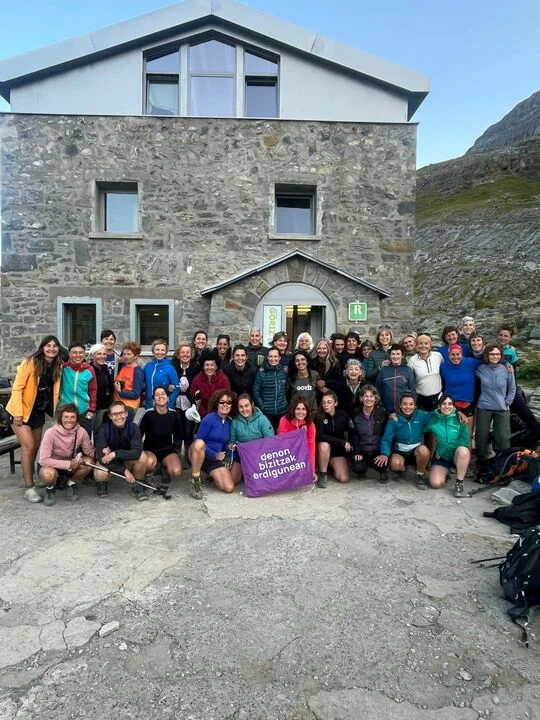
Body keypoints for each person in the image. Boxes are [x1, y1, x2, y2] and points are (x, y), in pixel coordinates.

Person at [7, 335, 63, 503]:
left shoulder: (57, 365)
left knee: (35, 448)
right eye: (48, 345)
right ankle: (29, 487)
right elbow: (17, 389)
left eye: (55, 346)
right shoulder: (30, 363)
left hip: (38, 412)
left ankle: (29, 477)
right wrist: (17, 413)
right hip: (21, 412)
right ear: (42, 347)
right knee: (29, 447)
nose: (51, 348)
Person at [38, 403, 95, 505]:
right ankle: (50, 488)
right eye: (66, 417)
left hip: (70, 464)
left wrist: (106, 455)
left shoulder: (81, 431)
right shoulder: (50, 433)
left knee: (89, 462)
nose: (69, 420)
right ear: (61, 418)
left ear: (77, 418)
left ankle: (71, 483)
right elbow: (43, 460)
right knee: (48, 474)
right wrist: (68, 464)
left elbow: (89, 451)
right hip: (52, 466)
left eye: (73, 417)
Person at [94, 401, 150, 500]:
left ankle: (138, 485)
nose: (119, 417)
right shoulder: (103, 429)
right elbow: (102, 457)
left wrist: (114, 454)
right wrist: (124, 470)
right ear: (110, 416)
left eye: (121, 413)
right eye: (115, 414)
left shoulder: (133, 427)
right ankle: (103, 483)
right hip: (111, 462)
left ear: (126, 413)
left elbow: (137, 451)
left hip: (126, 459)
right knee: (100, 473)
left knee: (143, 456)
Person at [497, 324, 540, 444]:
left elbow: (514, 375)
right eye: (501, 335)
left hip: (510, 390)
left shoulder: (511, 352)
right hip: (496, 392)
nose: (503, 337)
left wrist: (512, 392)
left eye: (506, 336)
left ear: (510, 338)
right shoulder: (491, 349)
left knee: (527, 415)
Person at [189, 389, 237, 499]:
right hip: (199, 454)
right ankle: (195, 480)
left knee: (229, 487)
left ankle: (208, 474)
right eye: (222, 402)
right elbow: (198, 441)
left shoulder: (230, 422)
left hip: (214, 460)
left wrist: (228, 454)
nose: (225, 404)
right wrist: (214, 454)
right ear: (216, 403)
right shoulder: (209, 419)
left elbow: (226, 444)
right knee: (199, 443)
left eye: (228, 402)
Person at [377, 393, 431, 489]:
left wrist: (456, 413)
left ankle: (420, 474)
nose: (408, 407)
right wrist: (384, 453)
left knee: (424, 451)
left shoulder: (421, 415)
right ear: (400, 405)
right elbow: (386, 439)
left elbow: (436, 414)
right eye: (404, 404)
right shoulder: (394, 419)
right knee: (395, 464)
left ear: (415, 406)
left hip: (416, 451)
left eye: (411, 404)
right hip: (400, 452)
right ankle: (403, 469)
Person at [475, 344, 517, 466]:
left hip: (502, 408)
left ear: (501, 355)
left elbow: (512, 388)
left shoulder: (506, 369)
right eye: (492, 354)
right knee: (481, 436)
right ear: (487, 355)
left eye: (498, 354)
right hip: (484, 406)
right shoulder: (481, 368)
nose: (495, 356)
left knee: (503, 437)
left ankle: (505, 462)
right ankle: (481, 461)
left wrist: (507, 402)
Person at [426, 395, 471, 497]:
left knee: (463, 451)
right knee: (435, 483)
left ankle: (459, 482)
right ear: (439, 406)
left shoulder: (460, 419)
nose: (447, 406)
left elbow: (465, 442)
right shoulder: (433, 419)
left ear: (454, 406)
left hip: (456, 456)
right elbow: (423, 430)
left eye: (450, 404)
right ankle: (446, 473)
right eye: (444, 404)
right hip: (441, 457)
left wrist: (445, 448)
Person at [229, 393, 274, 485]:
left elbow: (270, 440)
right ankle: (244, 471)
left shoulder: (262, 419)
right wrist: (232, 447)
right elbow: (231, 442)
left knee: (259, 482)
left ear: (252, 405)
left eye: (247, 406)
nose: (244, 409)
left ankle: (249, 472)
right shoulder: (235, 421)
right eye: (241, 407)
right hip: (242, 455)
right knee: (233, 480)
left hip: (259, 455)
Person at [140, 387, 183, 485]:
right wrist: (140, 452)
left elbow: (178, 436)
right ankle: (150, 472)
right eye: (157, 395)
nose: (160, 396)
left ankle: (164, 468)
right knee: (149, 463)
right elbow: (139, 433)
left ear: (168, 398)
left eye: (163, 394)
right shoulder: (148, 414)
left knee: (176, 471)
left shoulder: (173, 414)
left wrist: (177, 452)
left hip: (167, 449)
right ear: (154, 399)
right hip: (150, 450)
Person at [440, 344, 482, 440]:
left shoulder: (470, 363)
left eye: (458, 354)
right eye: (452, 354)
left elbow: (487, 361)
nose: (455, 357)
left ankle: (468, 450)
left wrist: (506, 363)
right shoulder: (443, 367)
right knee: (450, 436)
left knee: (467, 436)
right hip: (450, 405)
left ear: (462, 354)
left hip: (467, 404)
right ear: (448, 355)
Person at [348, 385, 388, 482]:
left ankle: (382, 471)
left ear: (375, 398)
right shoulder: (356, 414)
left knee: (382, 465)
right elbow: (354, 435)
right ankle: (362, 470)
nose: (368, 399)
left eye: (371, 396)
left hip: (377, 450)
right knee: (358, 467)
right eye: (366, 396)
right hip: (362, 449)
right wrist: (357, 452)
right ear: (361, 398)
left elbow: (386, 435)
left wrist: (384, 453)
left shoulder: (382, 413)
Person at [58, 341, 97, 436]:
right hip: (66, 411)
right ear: (69, 354)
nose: (78, 355)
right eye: (74, 352)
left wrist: (92, 409)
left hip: (83, 411)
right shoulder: (63, 368)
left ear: (84, 354)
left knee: (84, 439)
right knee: (66, 440)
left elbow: (93, 390)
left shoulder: (89, 369)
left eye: (81, 352)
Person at [315, 391, 352, 486]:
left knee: (344, 478)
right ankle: (323, 473)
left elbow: (351, 433)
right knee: (324, 445)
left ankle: (331, 465)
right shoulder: (319, 416)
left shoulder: (344, 415)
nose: (326, 405)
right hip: (323, 450)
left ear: (335, 403)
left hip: (337, 452)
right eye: (324, 403)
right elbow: (320, 436)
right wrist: (342, 443)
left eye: (329, 402)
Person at [171, 342, 200, 463]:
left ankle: (188, 457)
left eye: (188, 352)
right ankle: (177, 456)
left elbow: (198, 384)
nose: (185, 354)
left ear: (191, 354)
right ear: (178, 354)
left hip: (189, 401)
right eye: (182, 352)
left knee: (189, 429)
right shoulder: (173, 366)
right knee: (177, 427)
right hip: (176, 401)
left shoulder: (195, 367)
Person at [277, 396, 317, 481]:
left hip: (301, 456)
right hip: (287, 455)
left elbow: (311, 448)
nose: (301, 412)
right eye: (298, 409)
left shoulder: (310, 425)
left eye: (304, 409)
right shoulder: (284, 420)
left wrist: (312, 470)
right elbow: (283, 444)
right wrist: (298, 435)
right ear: (293, 409)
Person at [253, 347, 288, 430]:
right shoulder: (261, 374)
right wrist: (262, 406)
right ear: (267, 357)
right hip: (267, 412)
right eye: (271, 356)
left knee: (281, 434)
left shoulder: (283, 372)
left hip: (281, 411)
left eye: (275, 356)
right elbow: (256, 391)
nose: (273, 359)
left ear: (279, 358)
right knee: (269, 435)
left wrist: (285, 404)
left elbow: (286, 389)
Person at [407, 333, 444, 411]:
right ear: (416, 346)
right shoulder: (412, 360)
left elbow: (444, 372)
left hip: (438, 398)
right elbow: (409, 381)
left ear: (430, 345)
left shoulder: (438, 356)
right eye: (420, 343)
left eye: (426, 343)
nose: (423, 346)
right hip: (421, 400)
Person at [376, 344, 416, 413]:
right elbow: (378, 390)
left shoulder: (407, 370)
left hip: (404, 410)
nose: (395, 356)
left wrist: (412, 407)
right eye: (393, 354)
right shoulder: (383, 370)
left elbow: (413, 390)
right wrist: (381, 407)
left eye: (398, 354)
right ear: (390, 356)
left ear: (402, 356)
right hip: (386, 411)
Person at [142, 339, 179, 410]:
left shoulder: (170, 368)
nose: (160, 352)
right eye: (157, 349)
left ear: (166, 352)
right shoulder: (148, 366)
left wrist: (169, 403)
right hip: (149, 404)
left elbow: (177, 388)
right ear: (153, 351)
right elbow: (141, 381)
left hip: (164, 404)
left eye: (162, 350)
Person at [88, 343, 114, 431]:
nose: (102, 356)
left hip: (104, 407)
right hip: (91, 408)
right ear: (92, 356)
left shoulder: (105, 368)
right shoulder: (88, 370)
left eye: (104, 354)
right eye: (99, 354)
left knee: (101, 433)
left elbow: (110, 386)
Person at [114, 342, 144, 417]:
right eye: (124, 354)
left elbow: (135, 394)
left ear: (136, 356)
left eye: (129, 354)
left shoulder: (138, 371)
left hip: (129, 406)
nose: (126, 356)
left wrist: (120, 392)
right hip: (118, 404)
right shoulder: (123, 367)